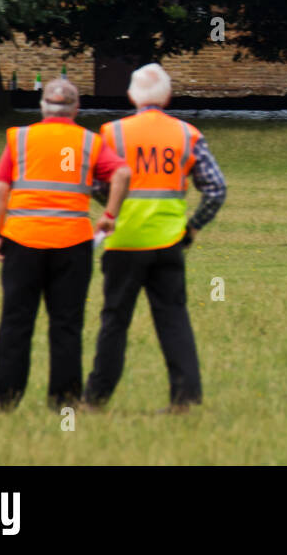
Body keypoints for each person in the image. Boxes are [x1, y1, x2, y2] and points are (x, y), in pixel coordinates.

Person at [84, 64, 226, 411]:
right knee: (173, 319)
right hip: (168, 241)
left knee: (115, 321)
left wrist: (112, 208)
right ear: (168, 97)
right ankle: (186, 398)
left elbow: (94, 183)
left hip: (124, 242)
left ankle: (95, 399)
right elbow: (216, 189)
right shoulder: (187, 135)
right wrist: (192, 228)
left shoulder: (112, 134)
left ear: (131, 96)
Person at [0, 78, 131, 411]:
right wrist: (109, 214)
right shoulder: (90, 142)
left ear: (42, 106)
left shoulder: (19, 138)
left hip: (23, 240)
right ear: (76, 109)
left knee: (16, 321)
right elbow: (122, 174)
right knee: (66, 323)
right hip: (73, 243)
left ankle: (5, 398)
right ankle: (64, 400)